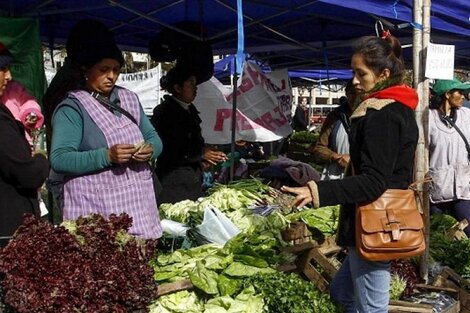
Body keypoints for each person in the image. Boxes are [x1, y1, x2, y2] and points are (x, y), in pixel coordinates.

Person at [282, 33, 419, 313]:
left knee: (371, 309)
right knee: (342, 293)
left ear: (383, 74)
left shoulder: (383, 115)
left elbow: (374, 181)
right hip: (370, 222)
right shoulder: (395, 107)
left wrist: (316, 190)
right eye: (353, 72)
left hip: (374, 223)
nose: (355, 81)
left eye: (361, 73)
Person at [49, 35, 163, 239]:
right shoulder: (72, 107)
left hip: (138, 207)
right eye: (104, 70)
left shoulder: (129, 98)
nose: (111, 76)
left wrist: (150, 149)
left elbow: (153, 137)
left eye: (116, 70)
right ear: (86, 69)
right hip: (96, 209)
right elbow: (59, 159)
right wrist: (107, 156)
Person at [150, 66, 227, 204]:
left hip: (192, 181)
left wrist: (202, 161)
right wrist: (200, 154)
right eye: (191, 83)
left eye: (195, 83)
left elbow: (193, 142)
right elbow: (168, 148)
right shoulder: (165, 112)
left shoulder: (190, 109)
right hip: (172, 184)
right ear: (177, 88)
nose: (195, 88)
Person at [0, 42, 49, 247]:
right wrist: (40, 159)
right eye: (2, 68)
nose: (9, 75)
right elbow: (27, 173)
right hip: (7, 234)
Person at [428, 78, 470, 236]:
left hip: (463, 189)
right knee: (441, 239)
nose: (464, 96)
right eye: (460, 92)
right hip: (437, 192)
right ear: (447, 94)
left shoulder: (466, 116)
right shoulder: (428, 118)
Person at [312, 81, 355, 180]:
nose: (355, 97)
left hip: (363, 178)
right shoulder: (334, 117)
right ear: (346, 94)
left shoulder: (372, 117)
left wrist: (354, 160)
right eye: (352, 93)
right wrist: (336, 157)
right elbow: (319, 148)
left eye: (359, 93)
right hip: (335, 176)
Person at [1, 79, 44, 149]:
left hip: (21, 142)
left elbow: (28, 102)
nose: (8, 76)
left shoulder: (12, 87)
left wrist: (30, 113)